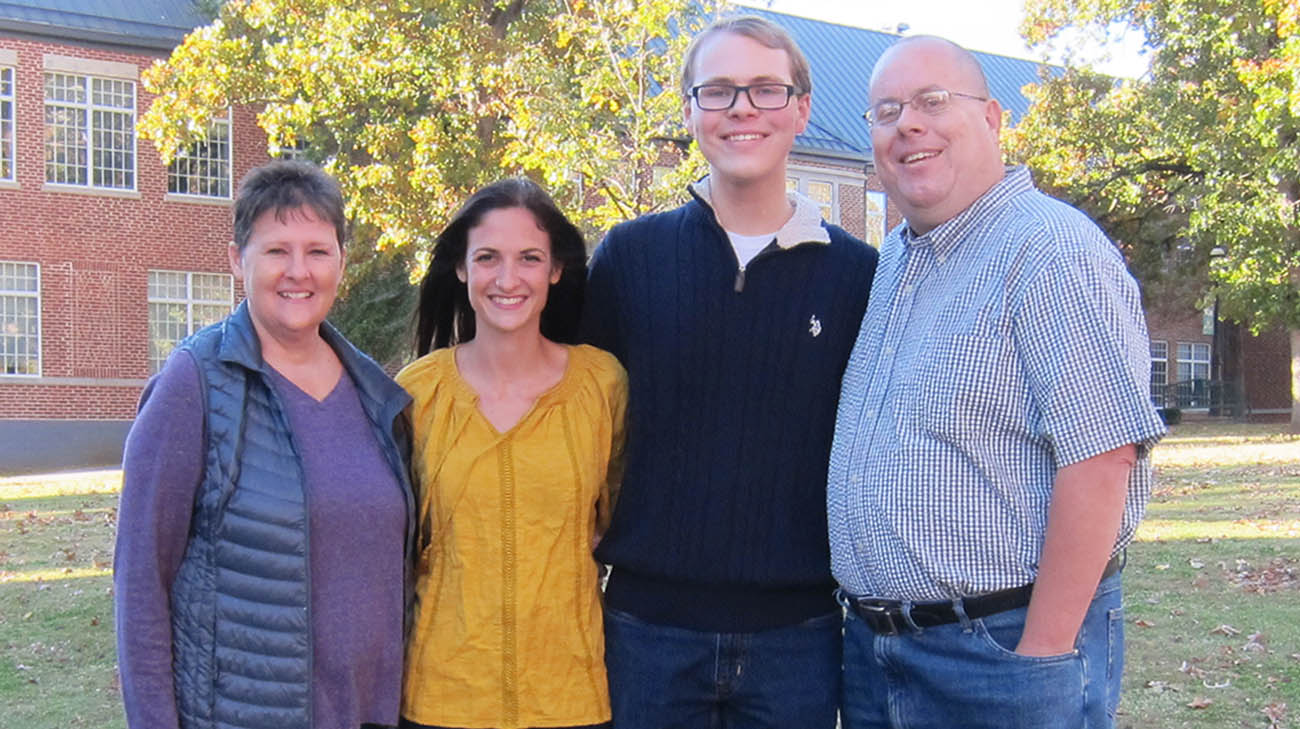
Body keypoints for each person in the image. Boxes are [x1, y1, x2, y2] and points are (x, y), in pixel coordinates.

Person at [827, 36, 1168, 729]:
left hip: (999, 652)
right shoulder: (898, 259)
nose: (908, 124)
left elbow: (1103, 459)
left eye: (932, 101)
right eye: (886, 111)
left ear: (992, 120)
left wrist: (1042, 652)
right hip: (877, 653)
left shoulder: (1049, 251)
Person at [580, 15, 878, 729]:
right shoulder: (629, 256)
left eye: (766, 89)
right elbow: (576, 416)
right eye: (717, 91)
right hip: (646, 631)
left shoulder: (859, 276)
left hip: (798, 636)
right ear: (688, 112)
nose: (742, 107)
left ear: (801, 108)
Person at [114, 160, 415, 729]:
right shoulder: (195, 385)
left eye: (318, 251)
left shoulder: (377, 393)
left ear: (341, 263)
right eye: (277, 250)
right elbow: (140, 581)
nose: (298, 271)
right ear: (237, 260)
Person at [397, 178, 626, 729]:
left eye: (528, 258)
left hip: (569, 695)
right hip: (442, 696)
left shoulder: (602, 384)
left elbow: (620, 520)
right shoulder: (416, 393)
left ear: (554, 270)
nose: (507, 279)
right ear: (462, 269)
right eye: (488, 258)